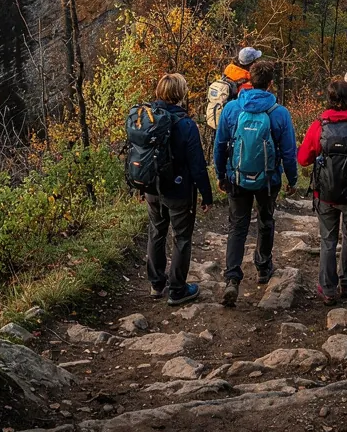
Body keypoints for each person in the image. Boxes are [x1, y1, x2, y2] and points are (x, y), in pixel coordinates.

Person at [210, 60, 297, 306]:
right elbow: (289, 151)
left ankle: (232, 279)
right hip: (268, 179)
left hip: (236, 177)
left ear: (248, 80)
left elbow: (220, 145)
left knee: (237, 226)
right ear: (270, 84)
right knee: (265, 220)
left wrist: (220, 175)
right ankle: (262, 267)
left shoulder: (231, 109)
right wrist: (291, 179)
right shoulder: (279, 113)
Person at [126, 73, 214, 306]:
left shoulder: (146, 119)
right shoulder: (186, 125)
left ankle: (156, 284)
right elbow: (197, 166)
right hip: (178, 191)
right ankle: (177, 290)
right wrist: (207, 195)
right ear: (180, 94)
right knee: (182, 238)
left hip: (152, 189)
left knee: (156, 232)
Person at [298, 78, 347, 304]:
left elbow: (303, 159)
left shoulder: (318, 127)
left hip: (325, 195)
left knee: (328, 239)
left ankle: (328, 289)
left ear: (329, 99)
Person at [206, 45, 261, 132]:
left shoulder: (228, 73)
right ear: (252, 64)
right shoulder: (247, 84)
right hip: (235, 126)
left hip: (221, 124)